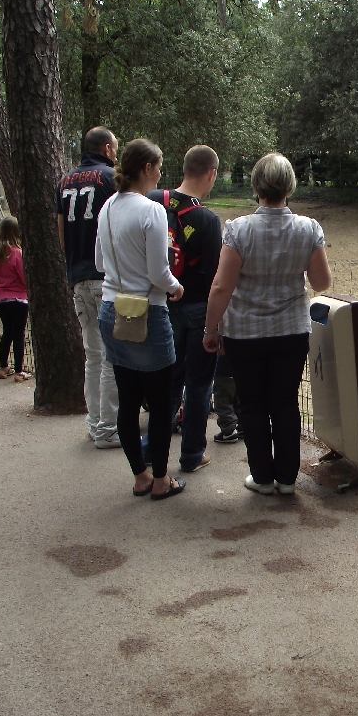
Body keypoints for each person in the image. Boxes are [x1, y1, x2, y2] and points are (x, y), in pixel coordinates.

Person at [202, 153, 331, 496]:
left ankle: (262, 477)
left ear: (256, 186)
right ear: (290, 186)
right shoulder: (308, 228)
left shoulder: (238, 229)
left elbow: (221, 286)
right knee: (286, 402)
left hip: (245, 333)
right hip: (292, 331)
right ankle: (288, 479)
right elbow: (321, 283)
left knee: (253, 404)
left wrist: (210, 329)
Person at [95, 138, 185, 500]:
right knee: (161, 403)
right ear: (146, 169)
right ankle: (162, 479)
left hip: (112, 308)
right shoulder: (151, 210)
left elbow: (101, 263)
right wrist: (176, 288)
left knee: (129, 399)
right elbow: (158, 271)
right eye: (159, 168)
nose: (160, 175)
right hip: (147, 309)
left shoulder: (107, 208)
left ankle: (140, 475)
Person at [147, 145, 223, 473]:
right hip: (197, 309)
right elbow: (214, 274)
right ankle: (192, 454)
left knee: (165, 382)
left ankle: (154, 451)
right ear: (211, 174)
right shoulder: (206, 219)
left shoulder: (152, 200)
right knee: (199, 385)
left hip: (160, 304)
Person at [58, 127, 120, 448]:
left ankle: (94, 421)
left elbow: (61, 232)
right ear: (107, 148)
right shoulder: (111, 178)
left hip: (77, 277)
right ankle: (108, 428)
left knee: (92, 355)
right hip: (105, 276)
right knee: (112, 355)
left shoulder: (65, 181)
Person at [0, 216, 30, 382]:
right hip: (18, 297)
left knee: (7, 332)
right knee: (19, 333)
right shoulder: (16, 253)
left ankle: (3, 366)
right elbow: (23, 276)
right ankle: (19, 371)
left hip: (1, 297)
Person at [211, 349, 241, 443]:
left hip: (223, 369)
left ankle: (229, 430)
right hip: (240, 365)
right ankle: (243, 426)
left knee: (223, 401)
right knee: (240, 399)